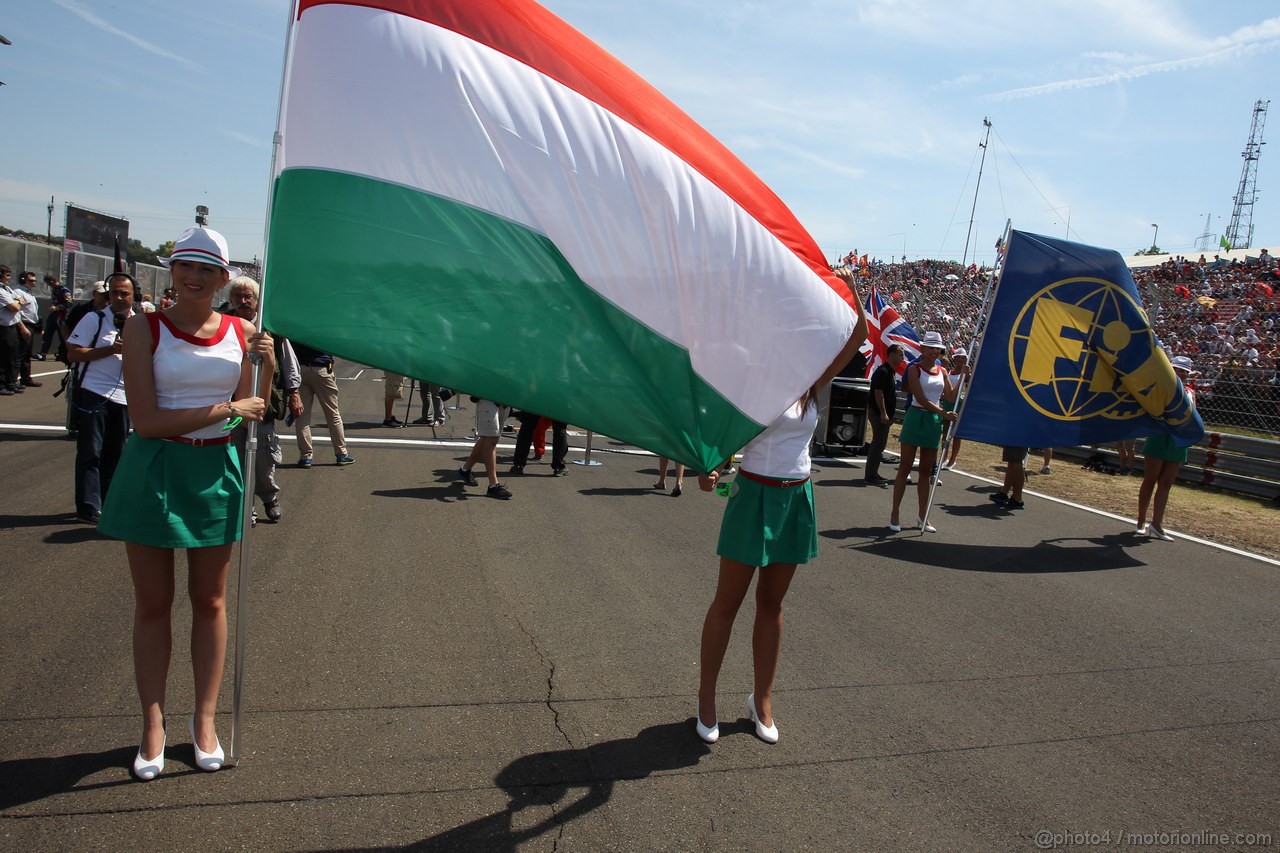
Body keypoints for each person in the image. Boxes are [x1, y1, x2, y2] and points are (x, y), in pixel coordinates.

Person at [97, 226, 275, 782]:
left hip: (216, 468)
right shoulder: (141, 325)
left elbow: (256, 412)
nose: (192, 278)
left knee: (211, 602)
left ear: (224, 277)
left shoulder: (242, 329)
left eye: (205, 269)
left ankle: (204, 720)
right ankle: (153, 723)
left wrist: (266, 368)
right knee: (153, 604)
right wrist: (226, 406)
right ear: (172, 272)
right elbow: (145, 421)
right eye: (182, 267)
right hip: (155, 467)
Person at [693, 270, 866, 745]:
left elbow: (859, 334)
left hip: (796, 497)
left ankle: (761, 699)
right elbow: (726, 435)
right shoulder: (749, 381)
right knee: (727, 603)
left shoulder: (811, 381)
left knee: (772, 605)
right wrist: (712, 468)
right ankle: (706, 697)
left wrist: (847, 285)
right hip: (753, 494)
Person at [226, 276, 303, 524]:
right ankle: (246, 507)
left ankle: (269, 497)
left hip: (263, 407)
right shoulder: (223, 325)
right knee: (236, 458)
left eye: (248, 296)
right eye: (238, 296)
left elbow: (289, 364)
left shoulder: (271, 330)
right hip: (230, 408)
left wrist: (294, 393)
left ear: (257, 301)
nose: (243, 300)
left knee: (263, 459)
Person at [65, 274, 135, 523]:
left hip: (124, 396)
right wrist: (110, 350)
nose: (119, 297)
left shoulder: (140, 323)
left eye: (124, 293)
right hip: (94, 392)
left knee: (116, 452)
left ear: (133, 295)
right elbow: (74, 354)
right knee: (90, 451)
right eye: (114, 292)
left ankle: (109, 501)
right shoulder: (94, 319)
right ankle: (88, 506)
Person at [888, 331, 956, 533]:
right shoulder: (914, 369)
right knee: (905, 467)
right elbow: (921, 398)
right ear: (923, 348)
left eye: (937, 348)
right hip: (916, 417)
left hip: (933, 421)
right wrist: (944, 413)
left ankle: (923, 516)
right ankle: (894, 513)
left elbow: (950, 395)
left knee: (926, 472)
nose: (934, 351)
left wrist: (965, 375)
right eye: (930, 347)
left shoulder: (943, 371)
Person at [1136, 356, 1199, 541]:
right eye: (1177, 369)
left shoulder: (1190, 392)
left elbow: (1193, 415)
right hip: (1159, 436)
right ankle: (1140, 521)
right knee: (1150, 478)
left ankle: (1156, 524)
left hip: (1178, 440)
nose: (1181, 373)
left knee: (1167, 482)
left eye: (1184, 371)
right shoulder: (1160, 387)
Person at [292, 342, 355, 467]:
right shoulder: (323, 325)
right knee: (332, 414)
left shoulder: (298, 325)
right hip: (322, 367)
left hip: (302, 369)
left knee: (302, 416)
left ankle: (305, 456)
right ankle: (341, 454)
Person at [864, 344, 904, 485]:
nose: (902, 358)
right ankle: (870, 476)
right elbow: (878, 393)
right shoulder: (883, 371)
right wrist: (883, 413)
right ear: (891, 355)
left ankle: (873, 473)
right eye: (900, 354)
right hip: (878, 413)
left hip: (884, 413)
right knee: (878, 444)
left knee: (880, 443)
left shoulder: (891, 372)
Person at [458, 398, 512, 498]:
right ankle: (493, 485)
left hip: (504, 398)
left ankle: (465, 469)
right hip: (488, 398)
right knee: (492, 439)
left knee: (488, 438)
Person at [509, 410, 568, 476]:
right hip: (558, 403)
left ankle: (518, 464)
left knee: (527, 426)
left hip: (537, 401)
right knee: (559, 429)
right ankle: (558, 466)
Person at [940, 347, 969, 470]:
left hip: (959, 404)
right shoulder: (949, 372)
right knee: (945, 431)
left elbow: (968, 385)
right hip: (948, 403)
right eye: (959, 357)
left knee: (956, 434)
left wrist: (966, 374)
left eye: (963, 358)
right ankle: (944, 457)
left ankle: (953, 460)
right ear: (955, 359)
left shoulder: (966, 373)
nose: (961, 360)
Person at [15, 271, 42, 387]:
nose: (34, 283)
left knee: (27, 354)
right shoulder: (18, 292)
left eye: (35, 280)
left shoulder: (29, 293)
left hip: (31, 325)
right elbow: (17, 311)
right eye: (31, 280)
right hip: (23, 324)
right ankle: (13, 380)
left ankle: (26, 378)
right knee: (20, 354)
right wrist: (22, 327)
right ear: (23, 280)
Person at [0, 265, 24, 396]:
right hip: (3, 328)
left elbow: (20, 300)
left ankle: (11, 383)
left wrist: (18, 302)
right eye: (7, 275)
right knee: (4, 357)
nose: (9, 278)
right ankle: (1, 384)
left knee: (13, 356)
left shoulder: (7, 288)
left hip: (12, 326)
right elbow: (14, 307)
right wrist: (18, 302)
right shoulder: (0, 290)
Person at [38, 274, 73, 360]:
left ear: (52, 281)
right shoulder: (54, 290)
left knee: (62, 335)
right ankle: (43, 353)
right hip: (53, 315)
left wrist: (57, 307)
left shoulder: (63, 290)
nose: (48, 286)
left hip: (62, 315)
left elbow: (69, 303)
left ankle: (63, 354)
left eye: (49, 283)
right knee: (47, 334)